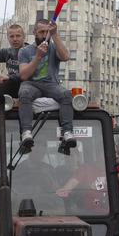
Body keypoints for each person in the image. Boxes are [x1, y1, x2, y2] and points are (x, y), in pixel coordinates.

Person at [17, 19, 75, 149]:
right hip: (31, 84)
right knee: (24, 93)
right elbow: (24, 75)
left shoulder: (53, 48)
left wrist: (54, 35)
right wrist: (38, 56)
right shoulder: (25, 51)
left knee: (66, 94)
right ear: (34, 33)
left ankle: (67, 132)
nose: (44, 36)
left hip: (51, 85)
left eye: (47, 32)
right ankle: (26, 132)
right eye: (41, 32)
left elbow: (65, 57)